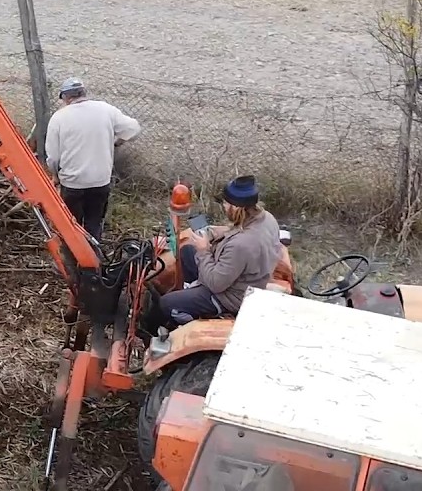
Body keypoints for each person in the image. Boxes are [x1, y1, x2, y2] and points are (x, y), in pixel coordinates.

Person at [158, 175, 283, 326]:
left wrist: (204, 250)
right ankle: (191, 292)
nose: (223, 206)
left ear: (236, 207)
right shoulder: (266, 219)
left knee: (166, 303)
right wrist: (215, 232)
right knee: (187, 251)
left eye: (225, 203)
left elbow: (216, 284)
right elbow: (239, 230)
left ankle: (189, 323)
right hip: (241, 277)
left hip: (228, 296)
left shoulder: (241, 245)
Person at [44, 77, 141, 242]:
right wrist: (117, 142)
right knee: (94, 223)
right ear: (84, 93)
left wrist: (55, 175)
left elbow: (53, 157)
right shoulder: (106, 110)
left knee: (71, 226)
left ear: (65, 97)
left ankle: (74, 259)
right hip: (100, 181)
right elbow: (134, 129)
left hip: (72, 184)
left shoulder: (59, 118)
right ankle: (93, 255)